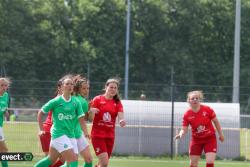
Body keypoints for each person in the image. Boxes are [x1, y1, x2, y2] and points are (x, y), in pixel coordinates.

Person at [34, 75, 89, 167]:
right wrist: (41, 129)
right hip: (58, 134)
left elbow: (81, 120)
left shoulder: (76, 102)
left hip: (70, 135)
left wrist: (86, 132)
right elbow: (41, 113)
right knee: (73, 160)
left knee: (50, 159)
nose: (70, 86)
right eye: (67, 84)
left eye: (71, 84)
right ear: (62, 87)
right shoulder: (56, 101)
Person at [175, 90, 224, 167]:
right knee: (193, 164)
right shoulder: (187, 114)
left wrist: (221, 134)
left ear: (199, 100)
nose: (195, 100)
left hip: (210, 139)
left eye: (197, 98)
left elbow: (216, 122)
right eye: (192, 98)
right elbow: (184, 129)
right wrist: (180, 134)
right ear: (189, 101)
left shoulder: (207, 109)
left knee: (210, 162)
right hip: (196, 140)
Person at [89, 78, 126, 167]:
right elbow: (90, 119)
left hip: (110, 136)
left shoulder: (117, 102)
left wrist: (121, 120)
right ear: (106, 87)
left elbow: (120, 114)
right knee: (104, 163)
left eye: (115, 88)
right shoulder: (97, 99)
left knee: (102, 164)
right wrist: (91, 111)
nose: (113, 89)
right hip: (97, 136)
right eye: (111, 87)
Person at [37, 79, 64, 167]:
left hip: (56, 132)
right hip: (49, 131)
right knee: (51, 160)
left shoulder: (67, 100)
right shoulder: (58, 100)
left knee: (64, 159)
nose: (69, 87)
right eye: (65, 85)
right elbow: (51, 118)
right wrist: (41, 130)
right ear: (59, 88)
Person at [72, 75, 93, 167]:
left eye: (88, 88)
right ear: (78, 89)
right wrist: (90, 109)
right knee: (74, 162)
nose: (86, 91)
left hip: (77, 133)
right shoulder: (83, 102)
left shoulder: (71, 97)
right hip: (70, 134)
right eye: (84, 88)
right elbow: (85, 119)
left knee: (88, 159)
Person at [0, 77, 10, 167]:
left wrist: (6, 112)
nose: (3, 87)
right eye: (1, 85)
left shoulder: (6, 95)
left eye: (5, 85)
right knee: (4, 149)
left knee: (3, 150)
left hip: (0, 126)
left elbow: (4, 108)